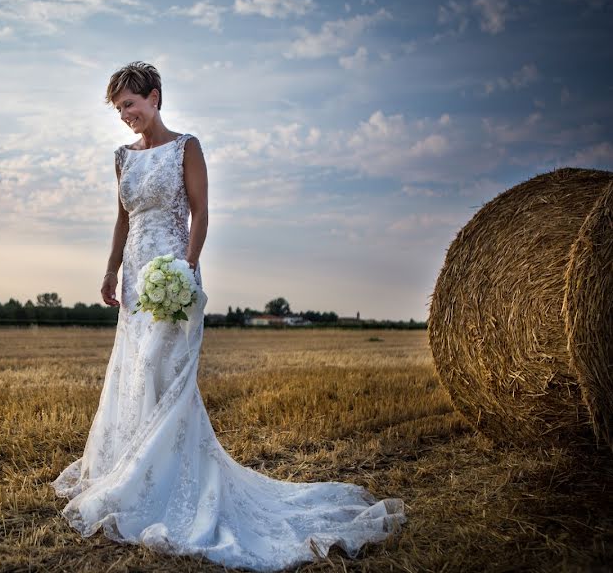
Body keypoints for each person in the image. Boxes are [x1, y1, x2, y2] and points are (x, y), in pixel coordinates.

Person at [51, 62, 407, 571]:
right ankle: (133, 472)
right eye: (118, 109)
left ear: (154, 97)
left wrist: (186, 269)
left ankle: (168, 480)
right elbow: (122, 217)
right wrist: (110, 271)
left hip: (173, 274)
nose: (125, 115)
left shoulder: (186, 147)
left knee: (164, 371)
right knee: (135, 372)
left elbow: (201, 211)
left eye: (131, 104)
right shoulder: (121, 158)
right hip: (135, 279)